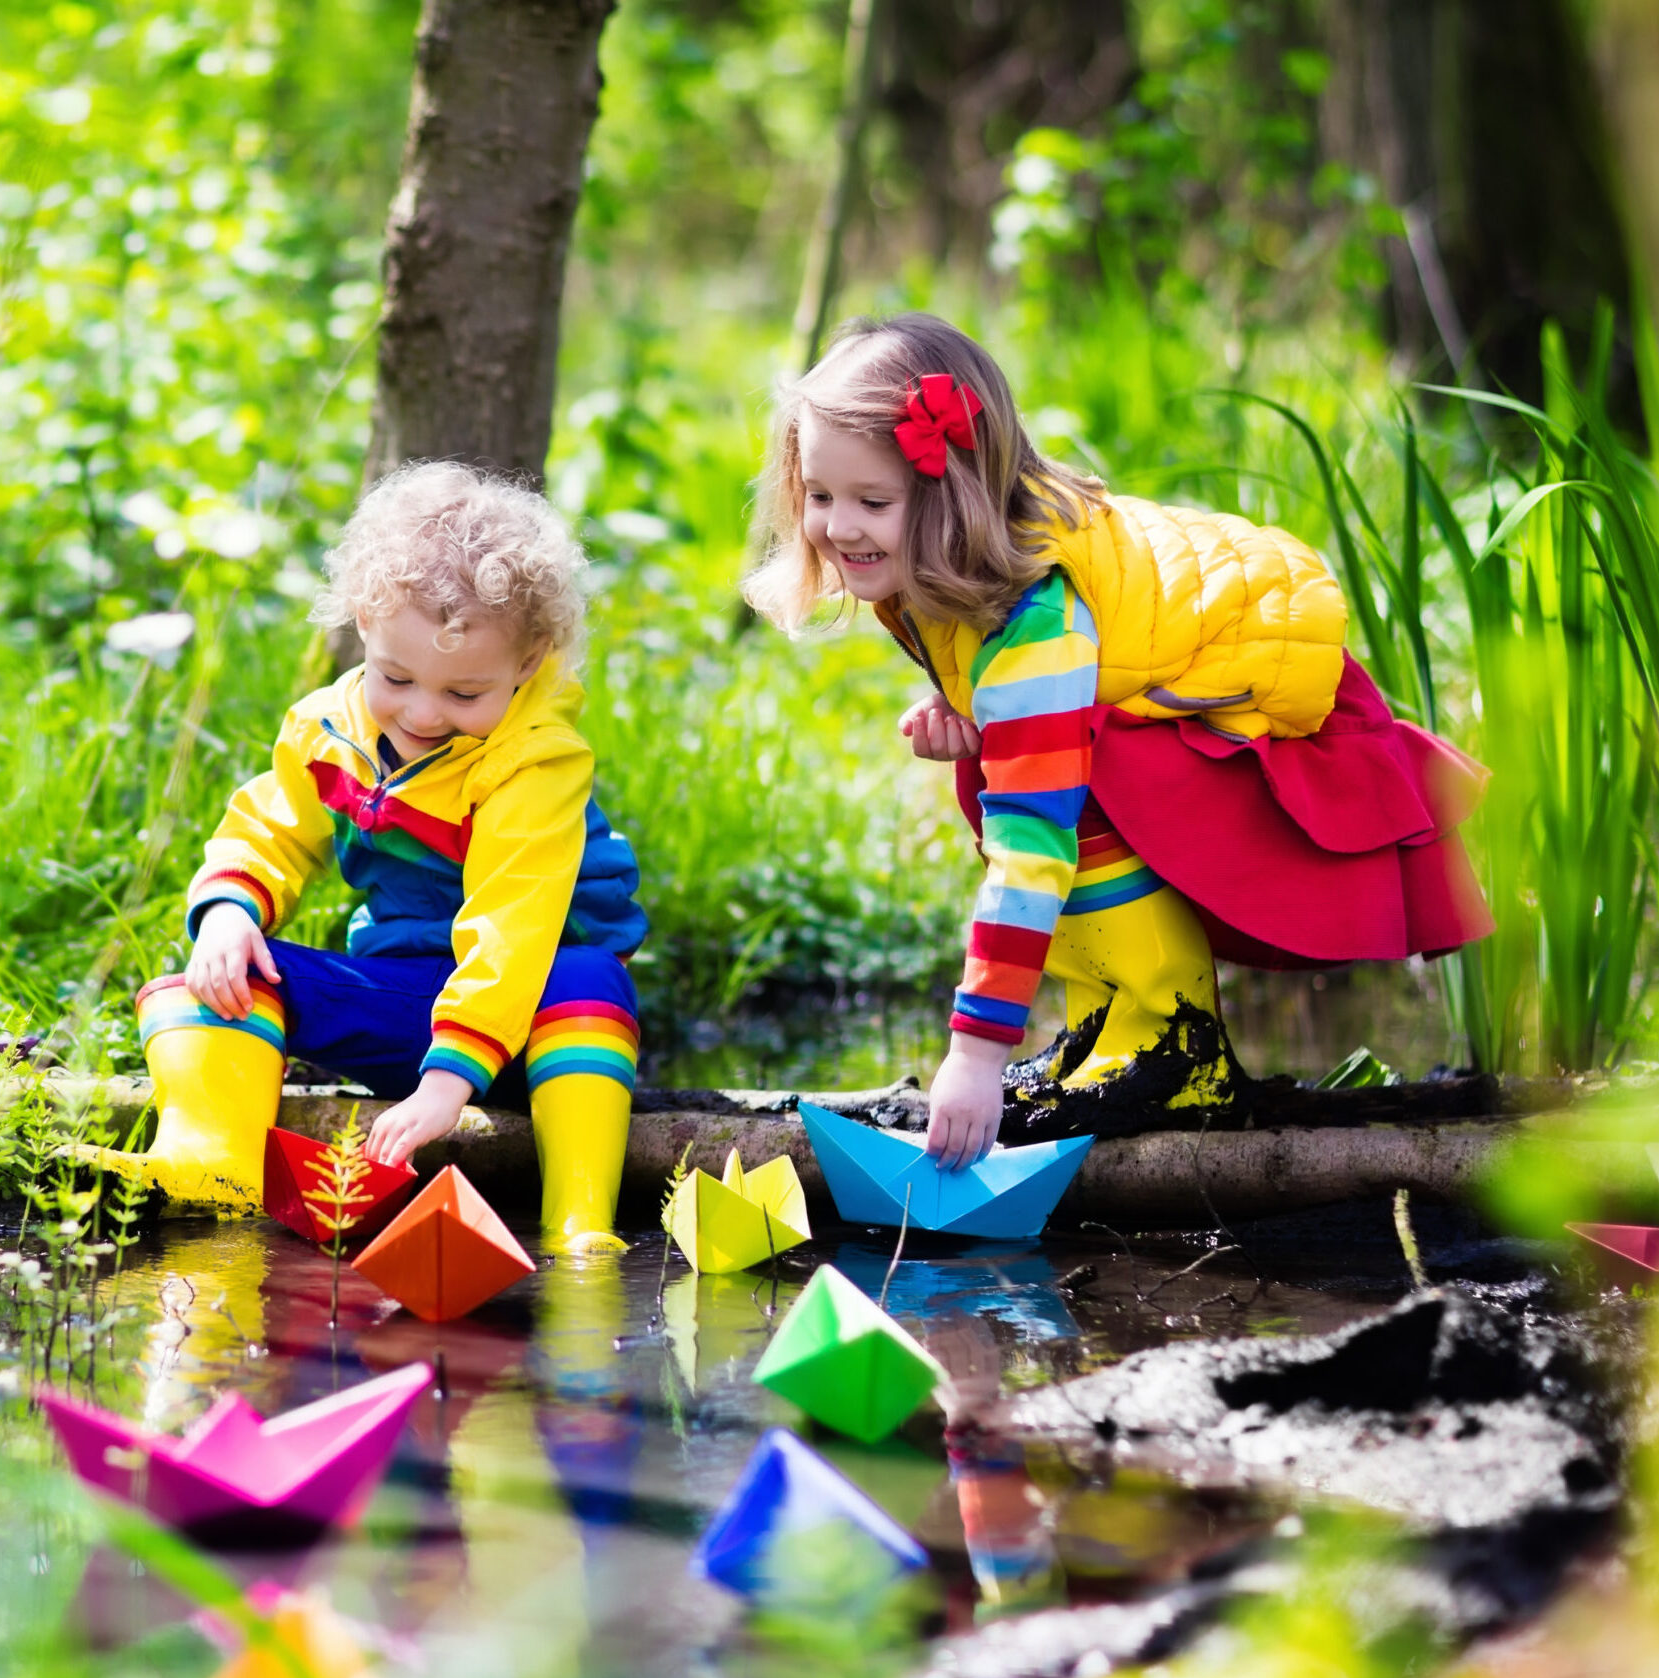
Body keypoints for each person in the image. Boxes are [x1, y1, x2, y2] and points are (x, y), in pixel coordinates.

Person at [745, 312, 1489, 1166]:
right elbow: (1000, 693)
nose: (839, 528)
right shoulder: (928, 563)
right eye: (820, 497)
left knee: (1062, 791)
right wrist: (968, 715)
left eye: (872, 501)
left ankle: (1172, 1041)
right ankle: (1104, 1025)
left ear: (954, 497)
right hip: (1144, 681)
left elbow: (1033, 846)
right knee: (1009, 767)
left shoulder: (1036, 620)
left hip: (1247, 694)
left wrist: (975, 1054)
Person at [136, 461, 647, 1252]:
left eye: (462, 693)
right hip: (410, 1007)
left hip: (534, 1029)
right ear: (363, 627)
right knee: (227, 970)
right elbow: (269, 827)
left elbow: (511, 930)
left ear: (529, 658)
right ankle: (208, 1168)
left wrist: (447, 1087)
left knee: (585, 973)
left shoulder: (534, 760)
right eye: (396, 676)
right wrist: (231, 910)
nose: (421, 712)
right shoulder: (326, 728)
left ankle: (577, 1223)